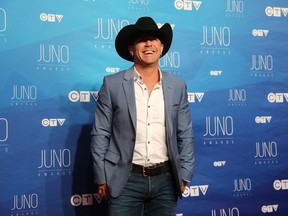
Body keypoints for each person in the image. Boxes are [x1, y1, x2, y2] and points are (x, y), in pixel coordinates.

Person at [90, 16, 195, 216]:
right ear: (131, 49)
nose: (149, 44)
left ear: (162, 47)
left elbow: (186, 133)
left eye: (154, 39)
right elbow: (100, 133)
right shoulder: (112, 84)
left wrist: (185, 174)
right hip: (124, 179)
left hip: (166, 180)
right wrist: (102, 176)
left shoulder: (178, 85)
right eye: (142, 39)